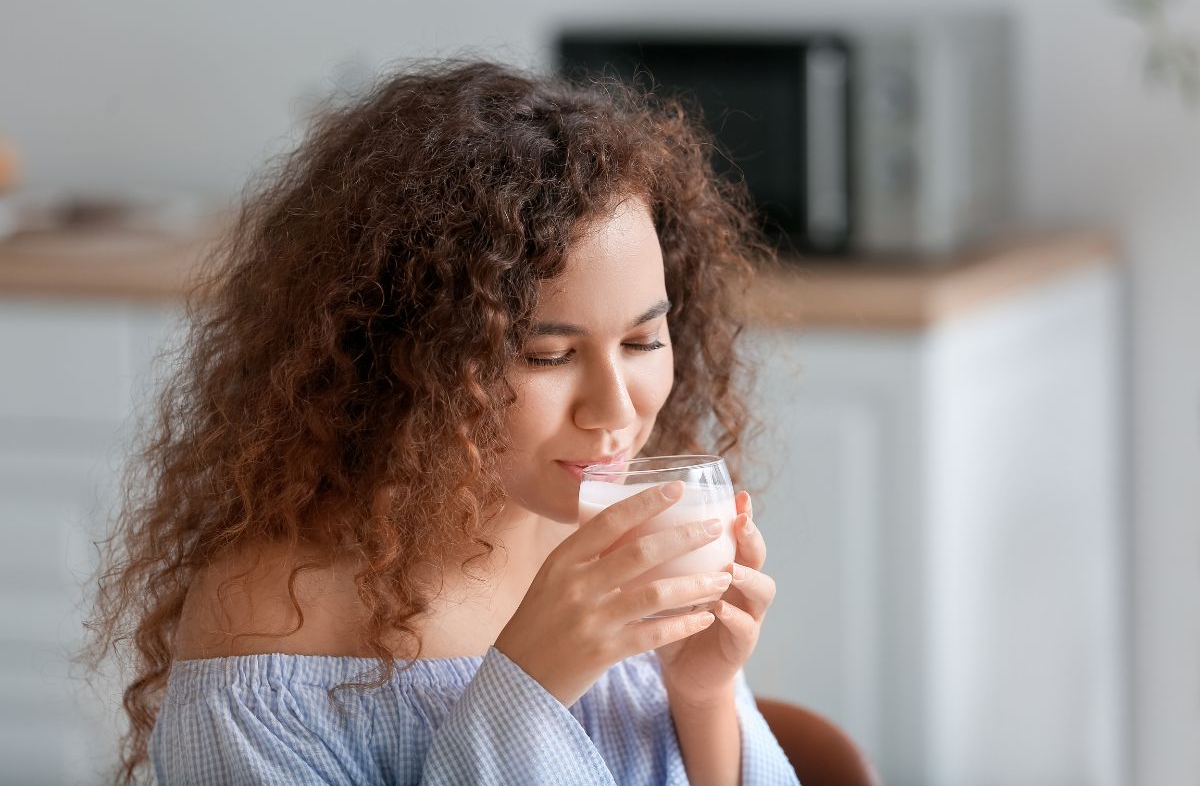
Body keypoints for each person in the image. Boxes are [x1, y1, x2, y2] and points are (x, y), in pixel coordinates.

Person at [86, 59, 797, 785]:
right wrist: (529, 686)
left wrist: (702, 697)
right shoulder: (275, 621)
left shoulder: (625, 539)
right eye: (547, 356)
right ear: (406, 354)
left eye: (643, 341)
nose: (615, 409)